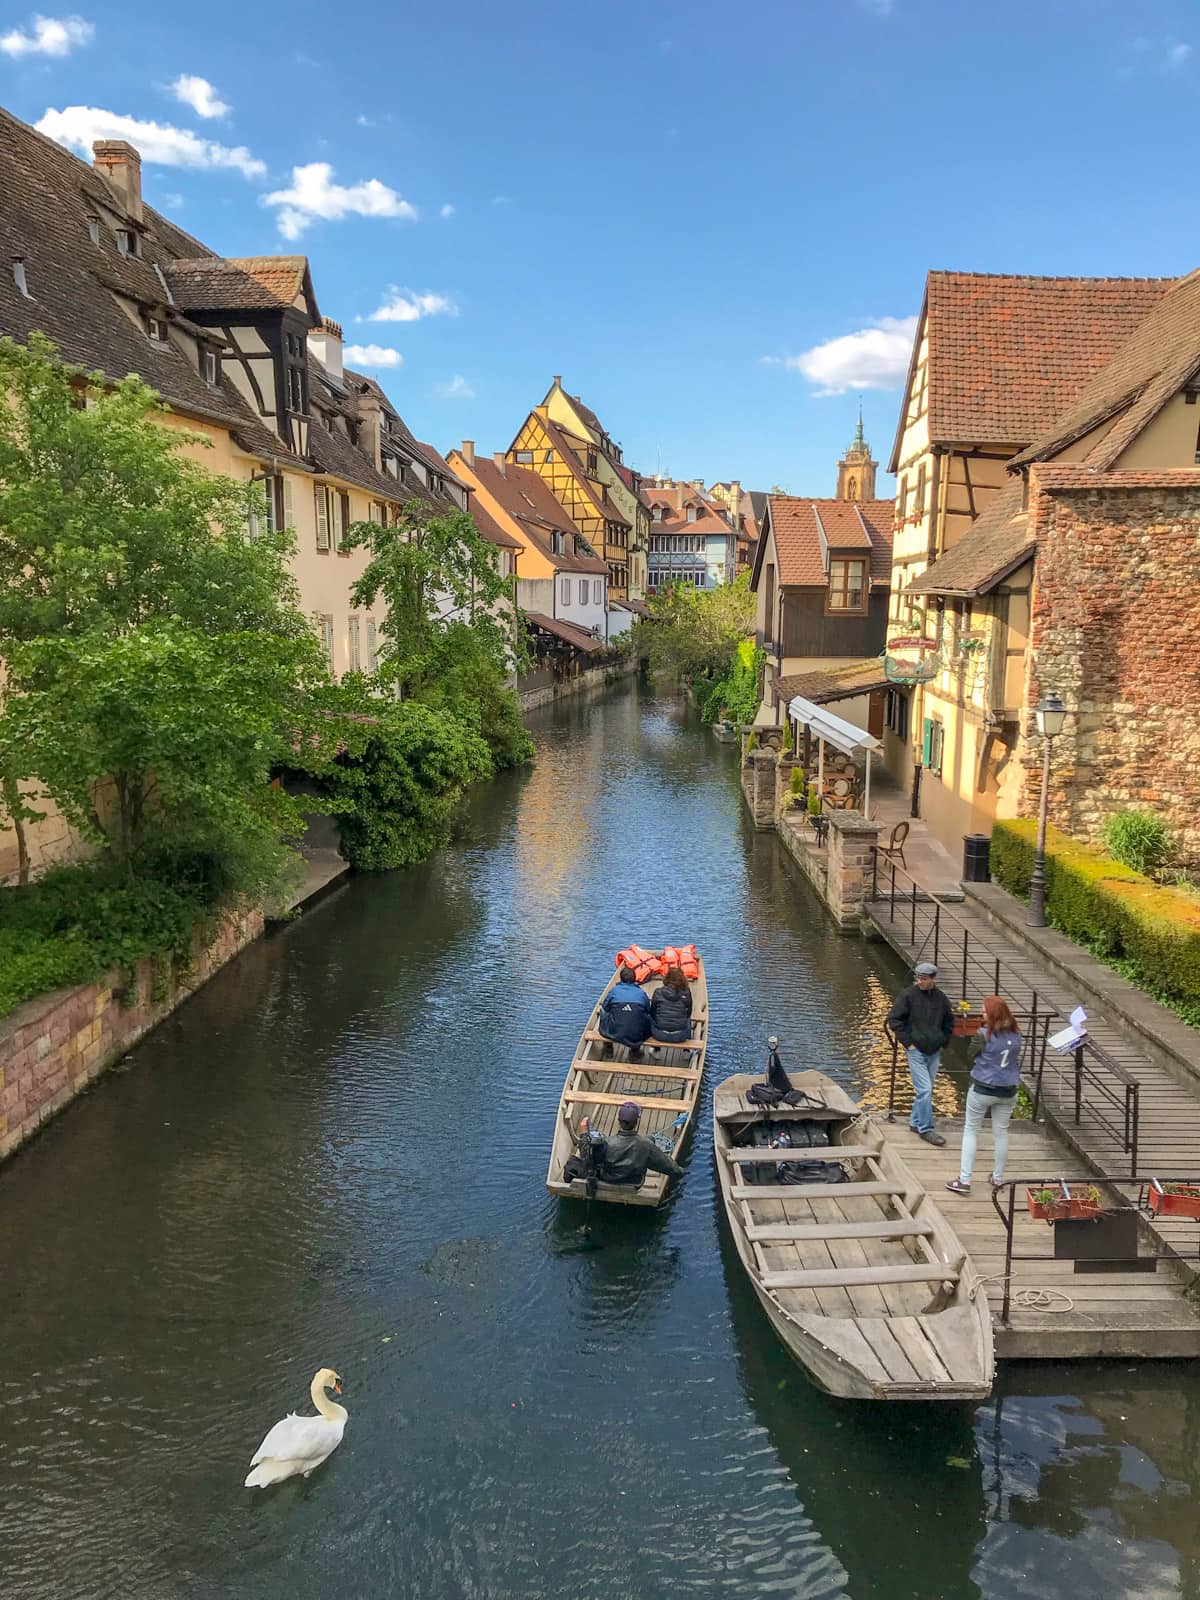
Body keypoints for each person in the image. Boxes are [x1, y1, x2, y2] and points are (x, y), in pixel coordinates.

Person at [945, 997, 1022, 1196]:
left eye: (985, 1012)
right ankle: (998, 1177)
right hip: (1008, 1089)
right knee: (1001, 1133)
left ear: (993, 1015)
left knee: (971, 1130)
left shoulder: (982, 1034)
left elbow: (971, 1053)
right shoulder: (1016, 1035)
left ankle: (964, 1179)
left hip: (983, 1088)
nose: (982, 1015)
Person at [886, 960, 954, 1146]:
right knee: (925, 1089)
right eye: (917, 978)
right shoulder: (907, 996)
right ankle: (926, 1129)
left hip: (934, 1050)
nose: (919, 981)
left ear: (933, 979)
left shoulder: (941, 998)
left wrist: (943, 1041)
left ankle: (915, 1122)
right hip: (916, 1050)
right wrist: (909, 1044)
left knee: (925, 1090)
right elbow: (894, 1020)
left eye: (923, 978)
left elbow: (949, 1021)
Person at [563, 1102, 683, 1187]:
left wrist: (584, 1133)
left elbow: (587, 1158)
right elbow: (670, 1168)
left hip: (608, 1178)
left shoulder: (606, 1143)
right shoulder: (646, 1145)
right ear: (637, 1121)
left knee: (573, 1162)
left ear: (618, 1120)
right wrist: (680, 1171)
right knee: (650, 1140)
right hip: (633, 1182)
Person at [599, 966, 652, 1057]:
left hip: (614, 1032)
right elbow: (648, 1010)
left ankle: (608, 1047)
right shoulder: (641, 993)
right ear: (635, 979)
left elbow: (605, 1007)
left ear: (621, 979)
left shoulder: (614, 991)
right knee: (642, 1016)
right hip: (637, 1033)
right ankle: (635, 1051)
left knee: (603, 1011)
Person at [649, 966, 693, 1044]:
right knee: (688, 1019)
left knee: (650, 1017)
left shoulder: (658, 992)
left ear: (667, 978)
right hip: (681, 1036)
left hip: (659, 1035)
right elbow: (688, 1012)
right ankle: (687, 1049)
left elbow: (653, 1013)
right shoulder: (686, 992)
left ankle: (656, 1047)